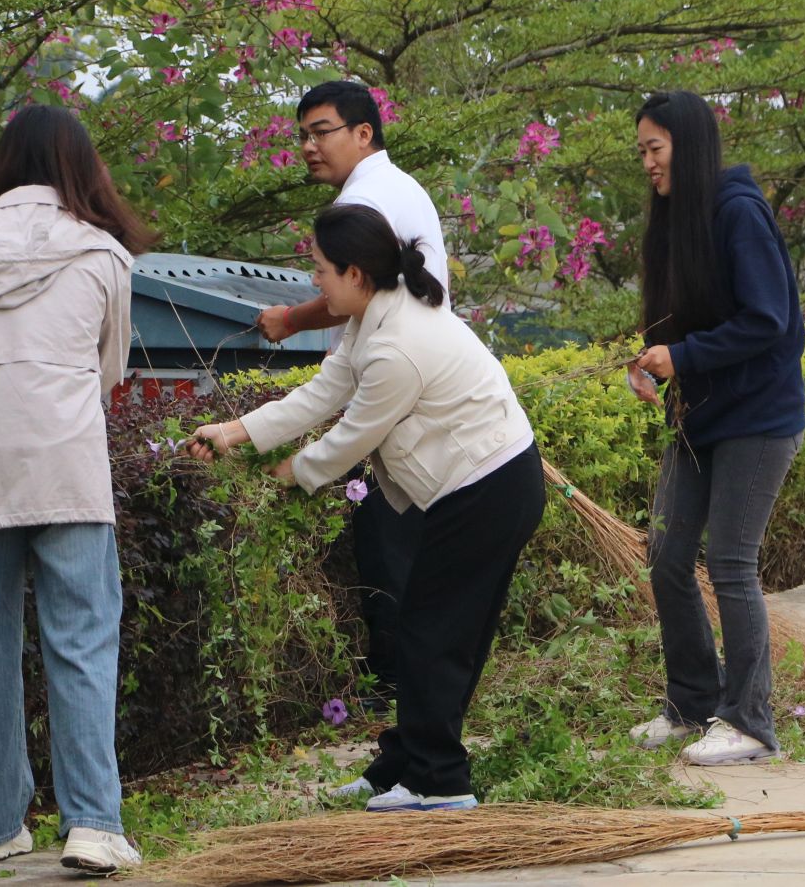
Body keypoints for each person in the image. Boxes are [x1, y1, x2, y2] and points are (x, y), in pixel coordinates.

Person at [190, 204, 543, 812]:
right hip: (487, 485)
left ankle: (440, 782)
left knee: (432, 632)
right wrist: (236, 431)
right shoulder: (376, 314)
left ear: (355, 273)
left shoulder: (396, 345)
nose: (314, 282)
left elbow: (354, 433)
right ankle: (404, 766)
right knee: (437, 631)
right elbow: (325, 390)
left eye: (321, 269)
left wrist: (294, 473)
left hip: (488, 488)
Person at [0, 105, 156, 874]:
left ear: (4, 162)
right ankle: (92, 824)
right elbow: (109, 369)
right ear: (81, 165)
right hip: (68, 464)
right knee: (81, 637)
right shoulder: (104, 253)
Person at [254, 81, 446, 730]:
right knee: (402, 545)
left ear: (364, 133)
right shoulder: (400, 186)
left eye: (323, 130)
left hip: (398, 391)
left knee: (387, 545)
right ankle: (407, 682)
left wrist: (288, 318)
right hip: (403, 385)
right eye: (303, 133)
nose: (310, 145)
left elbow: (351, 295)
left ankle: (395, 685)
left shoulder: (367, 196)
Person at [624, 89, 805, 767]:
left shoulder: (738, 212)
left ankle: (750, 720)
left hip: (759, 419)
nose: (646, 161)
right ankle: (693, 701)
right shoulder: (677, 219)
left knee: (730, 561)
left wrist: (686, 357)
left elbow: (769, 320)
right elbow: (679, 322)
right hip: (700, 416)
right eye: (641, 150)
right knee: (667, 554)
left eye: (655, 147)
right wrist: (653, 362)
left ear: (689, 145)